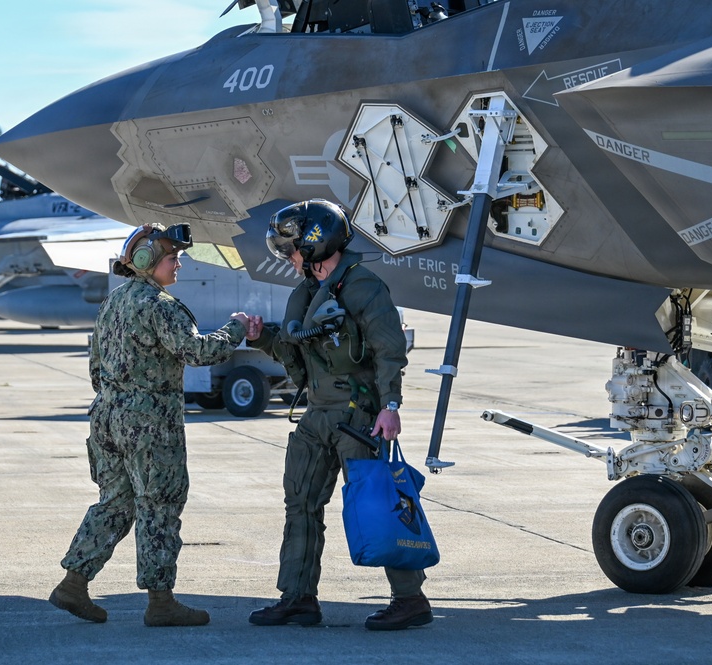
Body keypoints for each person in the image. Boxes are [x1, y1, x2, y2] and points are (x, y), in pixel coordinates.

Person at [49, 222, 259, 627]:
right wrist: (236, 328)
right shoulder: (159, 305)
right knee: (160, 504)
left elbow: (95, 367)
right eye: (171, 258)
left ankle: (73, 584)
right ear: (147, 262)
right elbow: (196, 351)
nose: (178, 264)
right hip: (149, 424)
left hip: (107, 418)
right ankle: (161, 602)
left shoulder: (113, 302)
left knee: (115, 502)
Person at [247, 199, 432, 631]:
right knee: (301, 504)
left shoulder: (364, 287)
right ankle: (298, 598)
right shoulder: (308, 292)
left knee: (377, 504)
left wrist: (390, 406)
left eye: (292, 248)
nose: (289, 257)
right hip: (317, 414)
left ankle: (410, 599)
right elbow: (297, 349)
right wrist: (261, 338)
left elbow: (390, 351)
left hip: (358, 414)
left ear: (315, 242)